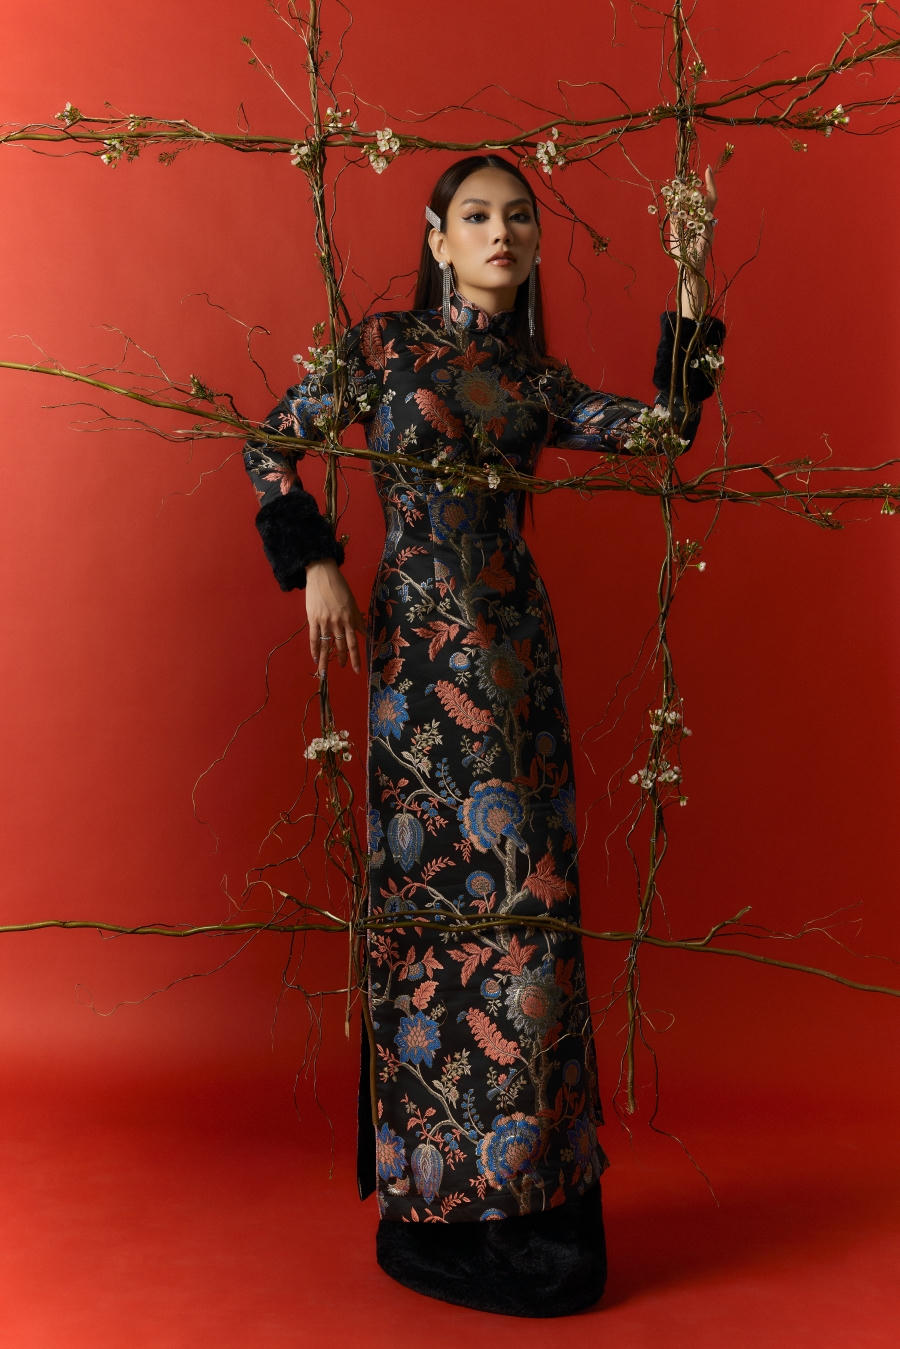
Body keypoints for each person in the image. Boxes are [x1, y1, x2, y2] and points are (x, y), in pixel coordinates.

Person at [243, 154, 724, 1317]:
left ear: (535, 243)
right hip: (417, 667)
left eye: (518, 217)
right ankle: (434, 1201)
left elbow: (663, 430)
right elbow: (265, 438)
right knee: (428, 923)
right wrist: (313, 560)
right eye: (476, 216)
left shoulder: (534, 378)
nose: (500, 233)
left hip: (515, 665)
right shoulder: (382, 347)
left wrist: (692, 292)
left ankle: (536, 1200)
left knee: (527, 924)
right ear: (437, 237)